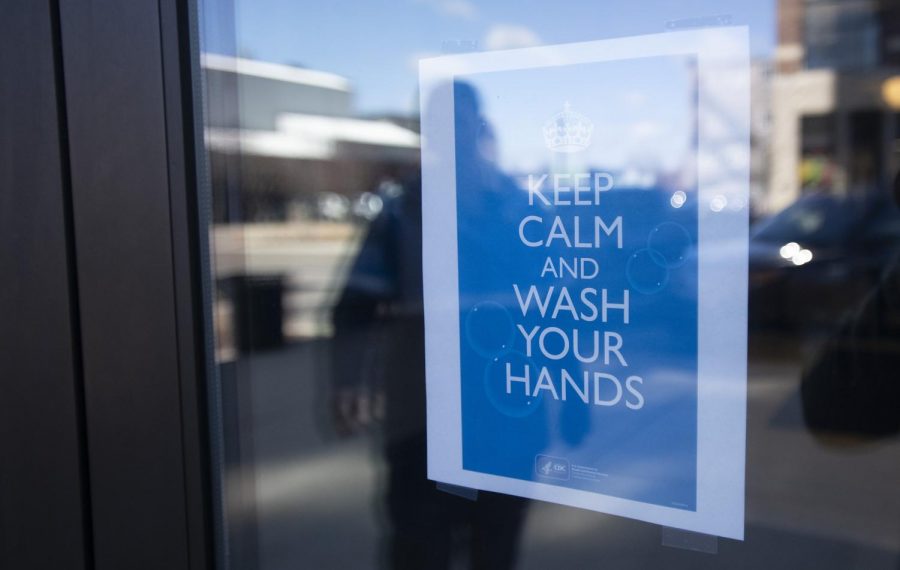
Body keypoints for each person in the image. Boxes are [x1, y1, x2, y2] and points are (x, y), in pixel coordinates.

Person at [330, 81, 527, 570]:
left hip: (507, 420)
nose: (451, 135)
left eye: (460, 122)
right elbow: (355, 305)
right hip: (423, 423)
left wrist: (573, 393)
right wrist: (349, 380)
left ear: (478, 128)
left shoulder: (519, 210)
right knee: (418, 548)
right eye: (439, 125)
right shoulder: (402, 213)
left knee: (496, 549)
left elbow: (552, 308)